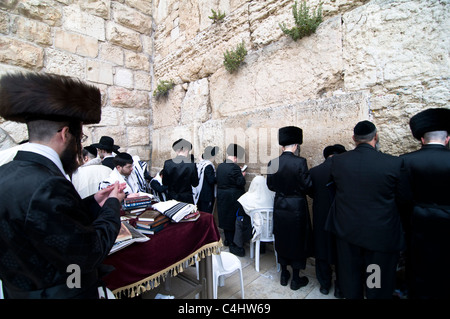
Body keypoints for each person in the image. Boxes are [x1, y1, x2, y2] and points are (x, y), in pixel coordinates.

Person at [0, 72, 126, 298]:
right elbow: (88, 253)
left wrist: (94, 203)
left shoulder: (6, 173)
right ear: (65, 134)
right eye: (80, 139)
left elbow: (45, 222)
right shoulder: (49, 184)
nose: (79, 146)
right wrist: (112, 205)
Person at [327, 120, 407, 299]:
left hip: (346, 233)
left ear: (354, 139)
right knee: (375, 281)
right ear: (376, 137)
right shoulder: (393, 163)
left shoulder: (338, 162)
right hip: (378, 237)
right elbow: (403, 200)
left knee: (350, 277)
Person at [400, 108, 450, 299]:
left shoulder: (405, 161)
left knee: (418, 266)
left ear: (422, 139)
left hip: (417, 222)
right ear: (447, 138)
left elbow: (402, 198)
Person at [266, 126, 313, 290]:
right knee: (297, 240)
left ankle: (284, 274)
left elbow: (270, 186)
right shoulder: (300, 162)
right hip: (297, 207)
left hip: (280, 205)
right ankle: (295, 279)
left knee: (282, 238)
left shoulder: (272, 163)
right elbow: (307, 186)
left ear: (282, 146)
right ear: (295, 145)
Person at [309, 144, 346, 298]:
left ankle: (324, 285)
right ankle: (340, 288)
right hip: (342, 218)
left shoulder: (314, 171)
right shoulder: (346, 170)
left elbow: (310, 192)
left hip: (321, 216)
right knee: (342, 253)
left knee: (321, 250)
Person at [216, 143, 247, 257]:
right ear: (235, 157)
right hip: (232, 196)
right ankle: (233, 242)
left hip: (222, 195)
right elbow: (241, 183)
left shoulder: (220, 166)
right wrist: (242, 174)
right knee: (232, 219)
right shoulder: (234, 167)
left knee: (225, 217)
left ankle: (227, 240)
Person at [237, 175, 275, 252]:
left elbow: (242, 213)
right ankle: (262, 247)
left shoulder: (247, 197)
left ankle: (238, 246)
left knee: (240, 219)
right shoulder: (272, 195)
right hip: (271, 230)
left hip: (256, 231)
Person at [162, 138, 199, 204]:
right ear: (186, 150)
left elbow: (165, 182)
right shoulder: (192, 165)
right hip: (186, 199)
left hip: (171, 198)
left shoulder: (167, 163)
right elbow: (195, 184)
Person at [193, 146, 218, 213]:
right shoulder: (208, 165)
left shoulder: (201, 163)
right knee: (206, 213)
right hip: (206, 195)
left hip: (200, 193)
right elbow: (211, 180)